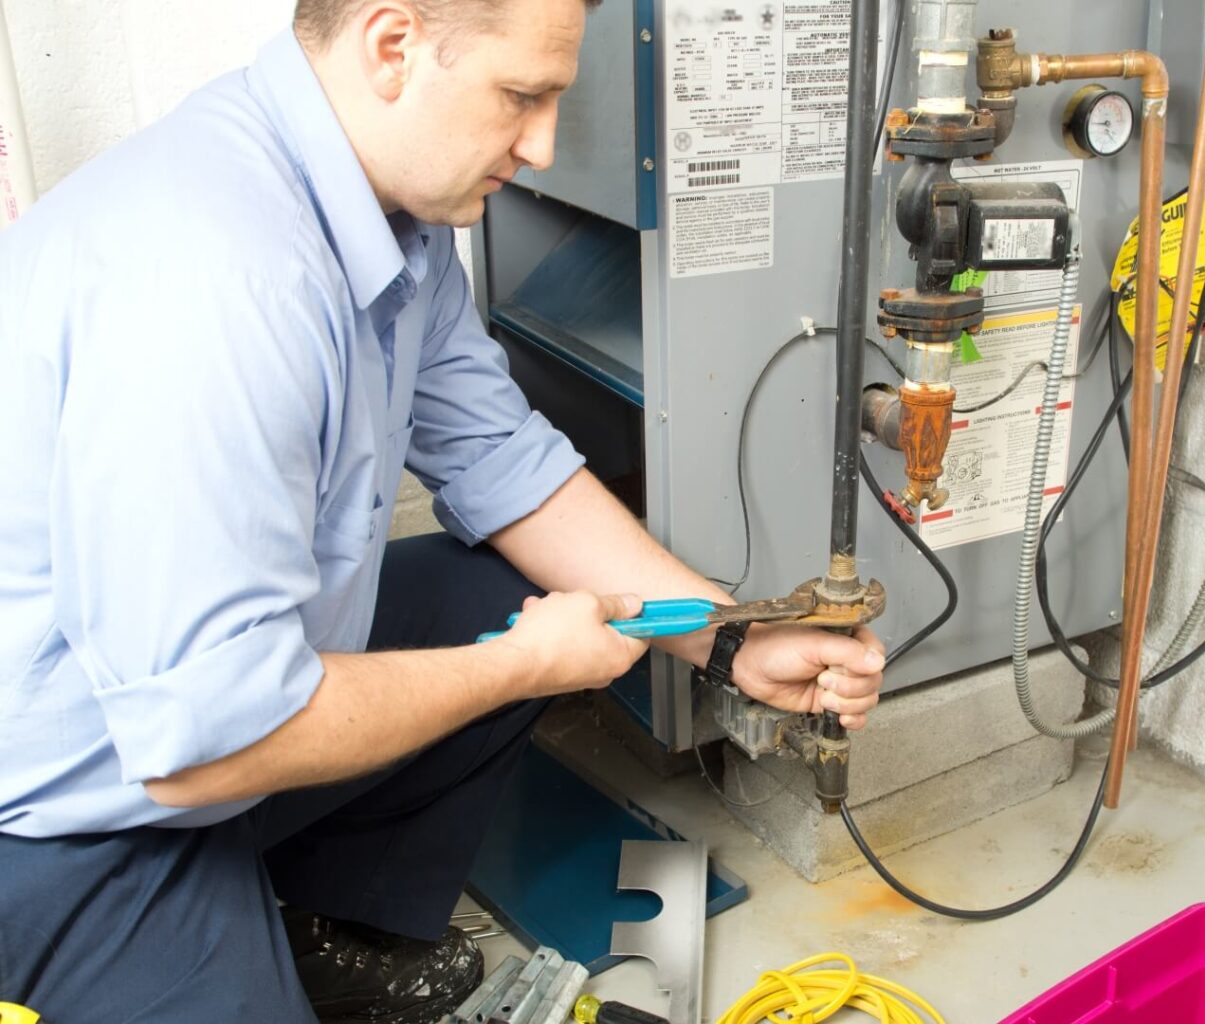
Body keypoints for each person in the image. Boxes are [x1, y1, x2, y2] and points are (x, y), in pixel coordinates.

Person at [0, 0, 886, 1019]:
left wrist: (728, 640)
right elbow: (201, 738)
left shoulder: (390, 221)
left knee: (497, 584)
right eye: (523, 96)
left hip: (199, 714)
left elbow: (504, 461)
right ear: (393, 46)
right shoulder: (221, 282)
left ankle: (330, 929)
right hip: (68, 814)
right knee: (508, 638)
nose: (545, 145)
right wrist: (518, 666)